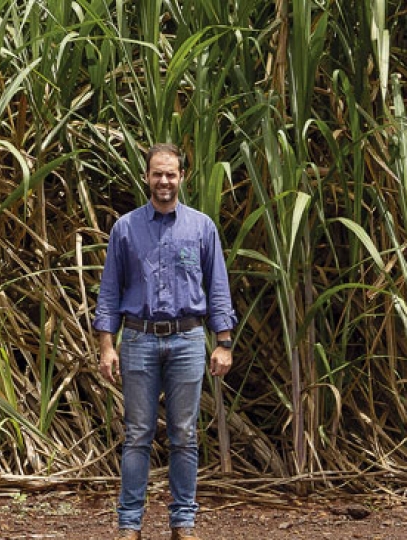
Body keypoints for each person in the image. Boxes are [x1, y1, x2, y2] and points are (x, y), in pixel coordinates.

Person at [94, 143, 236, 540]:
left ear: (182, 177)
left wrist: (223, 342)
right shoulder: (125, 229)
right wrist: (107, 346)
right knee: (137, 433)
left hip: (189, 339)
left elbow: (218, 288)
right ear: (146, 177)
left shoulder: (201, 227)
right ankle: (129, 525)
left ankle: (183, 523)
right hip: (138, 339)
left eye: (170, 174)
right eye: (157, 174)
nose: (164, 181)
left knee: (184, 435)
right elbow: (108, 293)